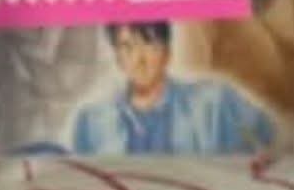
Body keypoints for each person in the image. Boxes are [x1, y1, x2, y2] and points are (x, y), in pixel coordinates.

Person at [69, 21, 276, 156]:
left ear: (167, 52)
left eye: (149, 44)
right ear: (117, 57)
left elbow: (275, 137)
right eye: (127, 47)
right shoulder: (91, 120)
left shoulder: (214, 101)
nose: (139, 59)